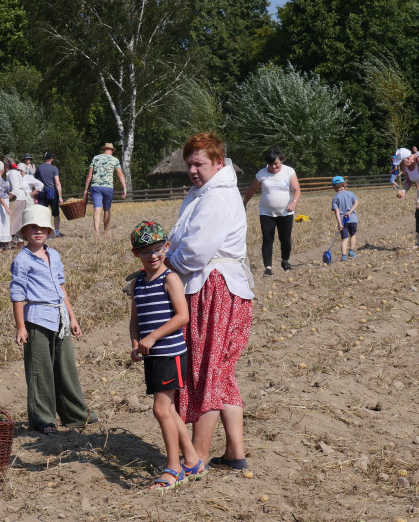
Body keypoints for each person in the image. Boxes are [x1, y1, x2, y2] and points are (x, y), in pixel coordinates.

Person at [166, 133, 254, 471]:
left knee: (207, 372)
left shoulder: (217, 196)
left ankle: (198, 457)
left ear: (218, 163)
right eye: (189, 163)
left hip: (215, 288)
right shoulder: (204, 192)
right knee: (221, 372)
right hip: (218, 285)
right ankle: (235, 453)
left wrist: (165, 267)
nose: (192, 169)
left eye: (199, 163)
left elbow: (195, 252)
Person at [128, 220, 205, 489]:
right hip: (152, 355)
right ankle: (193, 461)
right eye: (146, 251)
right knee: (169, 409)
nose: (153, 255)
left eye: (158, 249)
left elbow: (183, 316)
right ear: (136, 253)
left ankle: (173, 467)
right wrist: (137, 342)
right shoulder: (138, 283)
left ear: (167, 247)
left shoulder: (170, 278)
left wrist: (153, 337)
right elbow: (135, 318)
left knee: (161, 409)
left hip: (170, 353)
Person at [11, 204, 98, 433]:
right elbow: (17, 295)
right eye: (32, 228)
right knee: (41, 371)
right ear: (24, 233)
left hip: (59, 318)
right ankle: (43, 420)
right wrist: (21, 327)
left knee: (66, 367)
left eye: (42, 227)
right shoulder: (22, 260)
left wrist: (73, 317)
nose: (38, 231)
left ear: (49, 231)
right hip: (37, 319)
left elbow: (61, 288)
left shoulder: (54, 255)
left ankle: (76, 414)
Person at [242, 147, 301, 275]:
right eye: (270, 164)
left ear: (281, 161)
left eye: (276, 164)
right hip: (266, 213)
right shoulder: (261, 174)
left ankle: (285, 261)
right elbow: (252, 190)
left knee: (285, 240)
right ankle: (268, 268)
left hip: (286, 213)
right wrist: (244, 203)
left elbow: (296, 189)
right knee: (267, 239)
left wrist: (293, 203)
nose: (273, 167)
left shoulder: (289, 171)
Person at [82, 142, 128, 237]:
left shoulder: (96, 158)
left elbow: (89, 174)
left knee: (97, 209)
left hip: (96, 187)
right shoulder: (115, 160)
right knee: (107, 210)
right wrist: (124, 188)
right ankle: (106, 233)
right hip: (108, 188)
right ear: (111, 150)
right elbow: (120, 174)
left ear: (104, 149)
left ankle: (96, 234)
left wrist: (85, 189)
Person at [35, 152, 64, 238]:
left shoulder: (39, 168)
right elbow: (57, 183)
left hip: (41, 192)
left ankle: (44, 232)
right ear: (51, 158)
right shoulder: (54, 168)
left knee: (42, 213)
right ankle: (57, 232)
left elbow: (35, 180)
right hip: (52, 193)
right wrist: (60, 197)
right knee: (55, 213)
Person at [330, 176, 359, 261]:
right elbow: (356, 203)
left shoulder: (335, 197)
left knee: (344, 238)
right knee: (353, 235)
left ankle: (343, 256)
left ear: (334, 187)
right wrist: (350, 212)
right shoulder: (351, 194)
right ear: (344, 184)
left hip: (343, 221)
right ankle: (351, 252)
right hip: (353, 219)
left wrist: (339, 223)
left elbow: (336, 211)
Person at [5, 157, 30, 246]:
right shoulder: (12, 173)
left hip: (17, 198)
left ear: (6, 165)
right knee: (18, 221)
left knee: (13, 221)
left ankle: (13, 243)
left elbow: (15, 190)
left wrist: (5, 200)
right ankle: (19, 242)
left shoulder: (13, 174)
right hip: (19, 198)